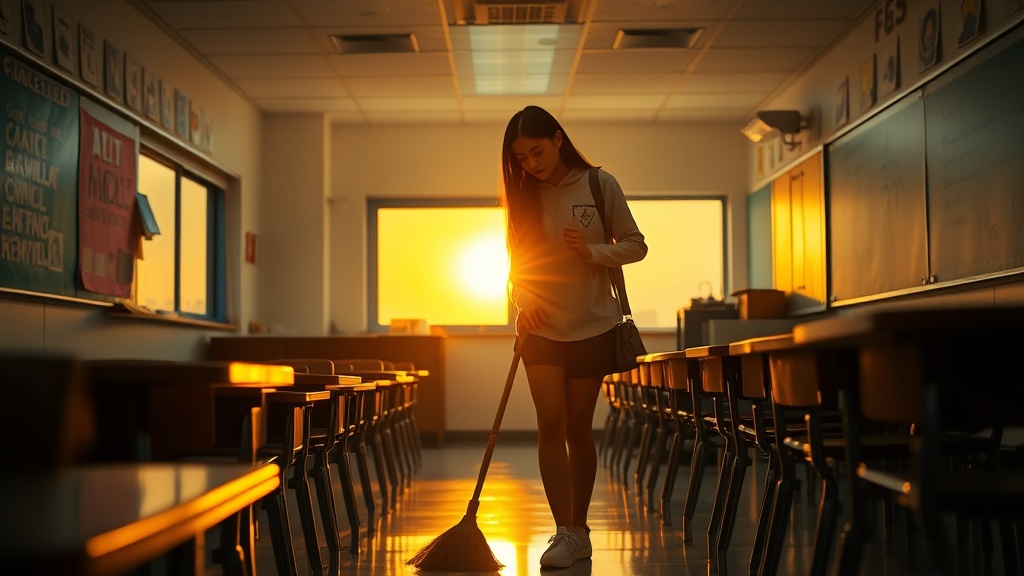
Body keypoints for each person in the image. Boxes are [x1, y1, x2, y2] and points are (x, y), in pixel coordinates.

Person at [500, 105, 647, 568]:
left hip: (592, 325)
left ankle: (579, 530)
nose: (531, 164)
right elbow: (514, 265)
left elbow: (636, 245)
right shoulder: (522, 194)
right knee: (550, 420)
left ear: (559, 139)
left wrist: (591, 251)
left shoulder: (601, 184)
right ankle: (564, 530)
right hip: (540, 327)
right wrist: (524, 296)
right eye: (521, 158)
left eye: (537, 152)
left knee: (578, 427)